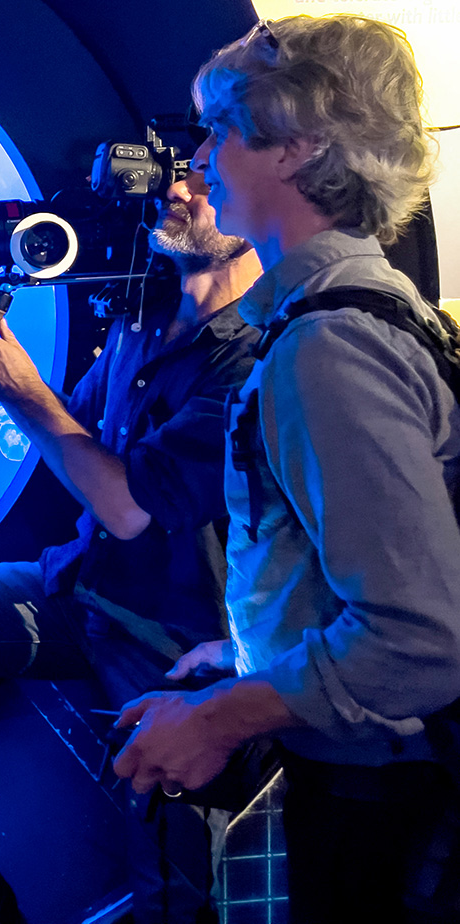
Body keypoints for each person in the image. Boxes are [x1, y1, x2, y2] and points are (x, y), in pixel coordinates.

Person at [0, 168, 263, 924]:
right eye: (172, 177)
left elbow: (131, 508)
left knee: (170, 871)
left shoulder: (253, 353)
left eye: (202, 178)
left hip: (175, 631)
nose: (178, 192)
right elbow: (83, 437)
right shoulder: (147, 315)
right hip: (87, 585)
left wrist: (19, 389)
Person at [113, 15, 460, 923]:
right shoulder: (346, 309)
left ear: (298, 143)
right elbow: (346, 562)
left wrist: (221, 718)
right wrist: (246, 655)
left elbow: (421, 638)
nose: (202, 154)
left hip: (360, 786)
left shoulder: (328, 344)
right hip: (345, 758)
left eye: (221, 129)